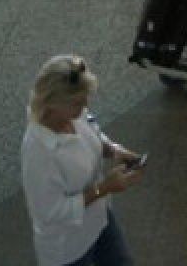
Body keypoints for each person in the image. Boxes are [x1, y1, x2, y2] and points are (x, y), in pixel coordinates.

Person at [21, 55, 145, 266]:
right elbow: (49, 212)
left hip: (100, 222)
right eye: (78, 102)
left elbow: (93, 132)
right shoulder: (39, 152)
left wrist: (114, 151)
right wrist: (104, 188)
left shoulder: (72, 114)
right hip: (68, 248)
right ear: (51, 104)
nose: (85, 105)